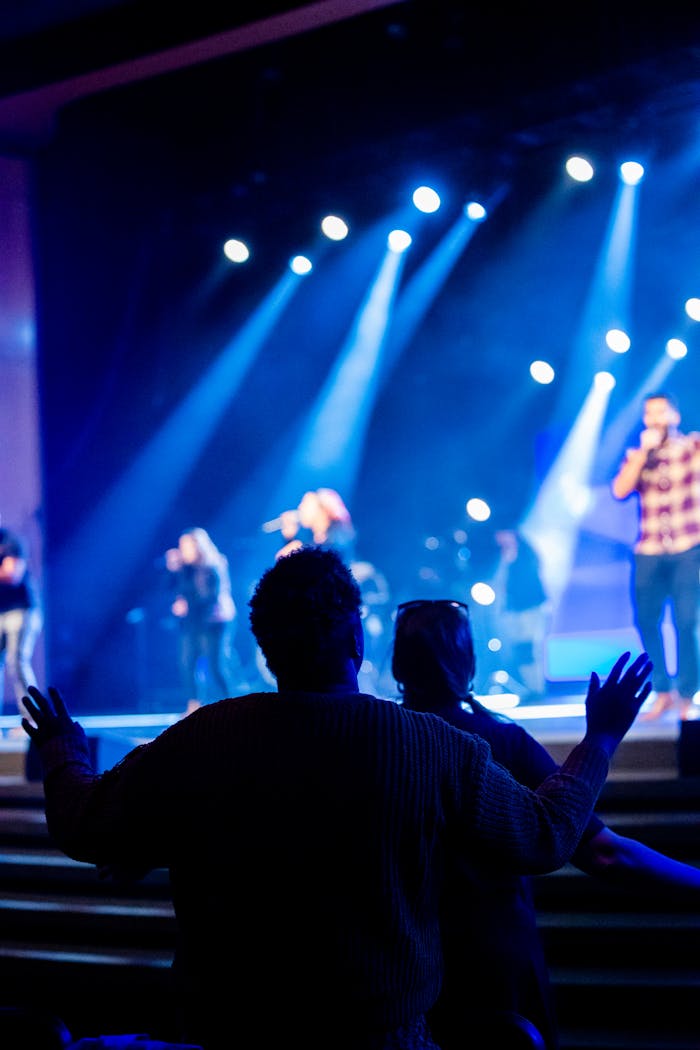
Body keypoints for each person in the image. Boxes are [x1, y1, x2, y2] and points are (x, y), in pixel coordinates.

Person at [21, 546, 652, 1050]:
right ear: (356, 640)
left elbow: (84, 826)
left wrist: (62, 752)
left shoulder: (203, 738)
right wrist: (600, 737)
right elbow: (545, 836)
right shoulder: (431, 745)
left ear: (265, 649)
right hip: (384, 1039)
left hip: (229, 1035)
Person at [391, 597, 700, 1050]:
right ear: (466, 658)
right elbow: (604, 851)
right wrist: (604, 736)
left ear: (397, 663)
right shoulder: (500, 740)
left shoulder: (380, 744)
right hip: (493, 964)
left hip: (406, 969)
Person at [611, 391, 700, 721]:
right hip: (649, 550)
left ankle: (688, 693)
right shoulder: (638, 455)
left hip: (688, 546)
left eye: (661, 412)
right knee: (646, 620)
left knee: (686, 621)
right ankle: (662, 690)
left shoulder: (692, 447)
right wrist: (642, 455)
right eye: (649, 413)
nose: (655, 418)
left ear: (674, 416)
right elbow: (619, 491)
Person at [164, 527, 237, 716]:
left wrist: (187, 604)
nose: (183, 550)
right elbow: (172, 588)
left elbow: (211, 597)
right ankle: (193, 705)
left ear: (198, 546)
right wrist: (175, 569)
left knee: (216, 666)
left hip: (214, 621)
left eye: (186, 546)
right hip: (193, 622)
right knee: (187, 662)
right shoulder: (186, 568)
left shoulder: (212, 565)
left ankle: (232, 705)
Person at [492, 528, 551, 698]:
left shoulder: (526, 556)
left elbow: (530, 583)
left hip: (531, 608)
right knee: (520, 649)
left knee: (529, 648)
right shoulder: (505, 559)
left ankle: (536, 688)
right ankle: (530, 686)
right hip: (515, 610)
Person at [0, 524, 42, 727]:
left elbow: (11, 575)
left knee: (16, 662)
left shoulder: (10, 542)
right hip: (1, 612)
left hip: (21, 610)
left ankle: (32, 718)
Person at [273, 487, 356, 560]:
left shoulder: (336, 544)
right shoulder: (314, 541)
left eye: (306, 504)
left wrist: (298, 550)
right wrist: (289, 538)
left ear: (322, 511)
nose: (300, 508)